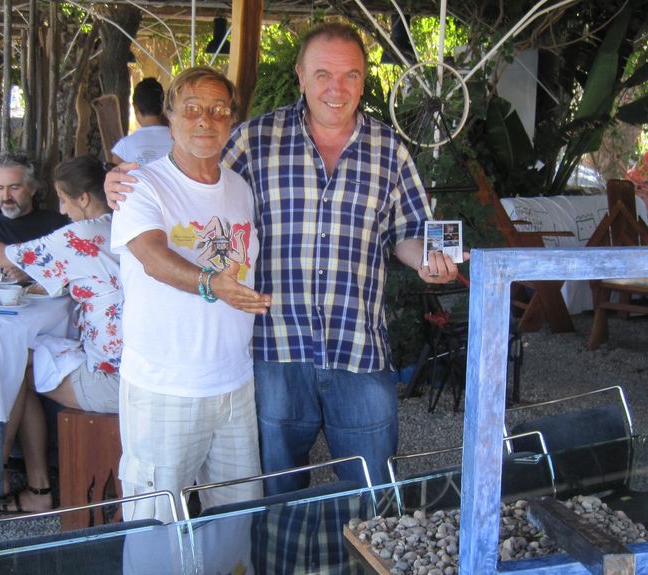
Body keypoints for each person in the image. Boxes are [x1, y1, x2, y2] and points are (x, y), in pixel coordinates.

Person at [105, 23, 463, 495]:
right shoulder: (255, 139)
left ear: (364, 80)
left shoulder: (389, 150)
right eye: (323, 74)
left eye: (351, 75)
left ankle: (366, 546)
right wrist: (121, 181)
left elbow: (407, 233)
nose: (336, 88)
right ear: (300, 76)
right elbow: (193, 174)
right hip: (275, 349)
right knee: (276, 493)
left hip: (358, 345)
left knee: (372, 487)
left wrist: (427, 262)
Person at [110, 67, 272, 523]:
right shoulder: (140, 184)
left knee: (236, 521)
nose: (206, 120)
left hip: (234, 382)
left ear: (232, 120)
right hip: (165, 387)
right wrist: (211, 283)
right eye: (193, 109)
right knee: (156, 526)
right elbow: (152, 257)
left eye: (219, 110)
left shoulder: (239, 187)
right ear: (170, 116)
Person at [0, 155, 123, 511]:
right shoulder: (122, 225)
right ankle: (28, 486)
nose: (62, 209)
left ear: (83, 198)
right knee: (20, 360)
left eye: (64, 199)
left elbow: (8, 257)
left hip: (114, 379)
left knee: (13, 366)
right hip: (139, 362)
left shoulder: (83, 233)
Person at [0, 151, 68, 262]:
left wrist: (27, 270)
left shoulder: (55, 225)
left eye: (14, 188)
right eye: (0, 188)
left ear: (32, 189)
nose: (6, 196)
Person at [110, 78, 173, 166]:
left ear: (135, 108)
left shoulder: (123, 149)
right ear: (164, 106)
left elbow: (115, 172)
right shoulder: (179, 140)